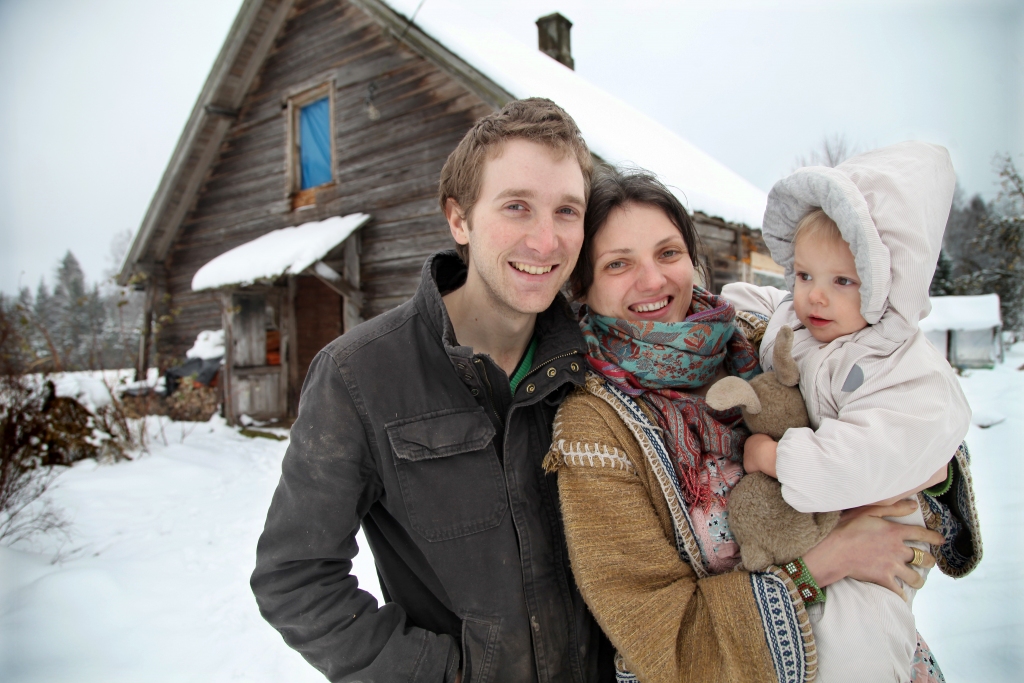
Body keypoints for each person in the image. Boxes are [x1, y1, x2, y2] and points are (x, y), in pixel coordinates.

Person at [544, 167, 980, 683]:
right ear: (583, 283)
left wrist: (928, 470)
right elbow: (661, 634)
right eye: (619, 264)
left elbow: (896, 407)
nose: (653, 280)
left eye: (668, 253)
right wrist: (826, 560)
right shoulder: (594, 430)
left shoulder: (760, 337)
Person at [251, 98, 616, 682]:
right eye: (517, 207)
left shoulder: (598, 363)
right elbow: (295, 575)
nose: (546, 242)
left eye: (566, 211)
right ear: (459, 219)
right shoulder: (360, 375)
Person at [723, 141, 977, 682]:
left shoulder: (903, 365)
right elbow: (764, 305)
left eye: (843, 281)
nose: (815, 298)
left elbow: (861, 457)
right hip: (823, 522)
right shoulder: (810, 320)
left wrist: (774, 458)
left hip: (884, 531)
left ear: (889, 286)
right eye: (804, 275)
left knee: (856, 648)